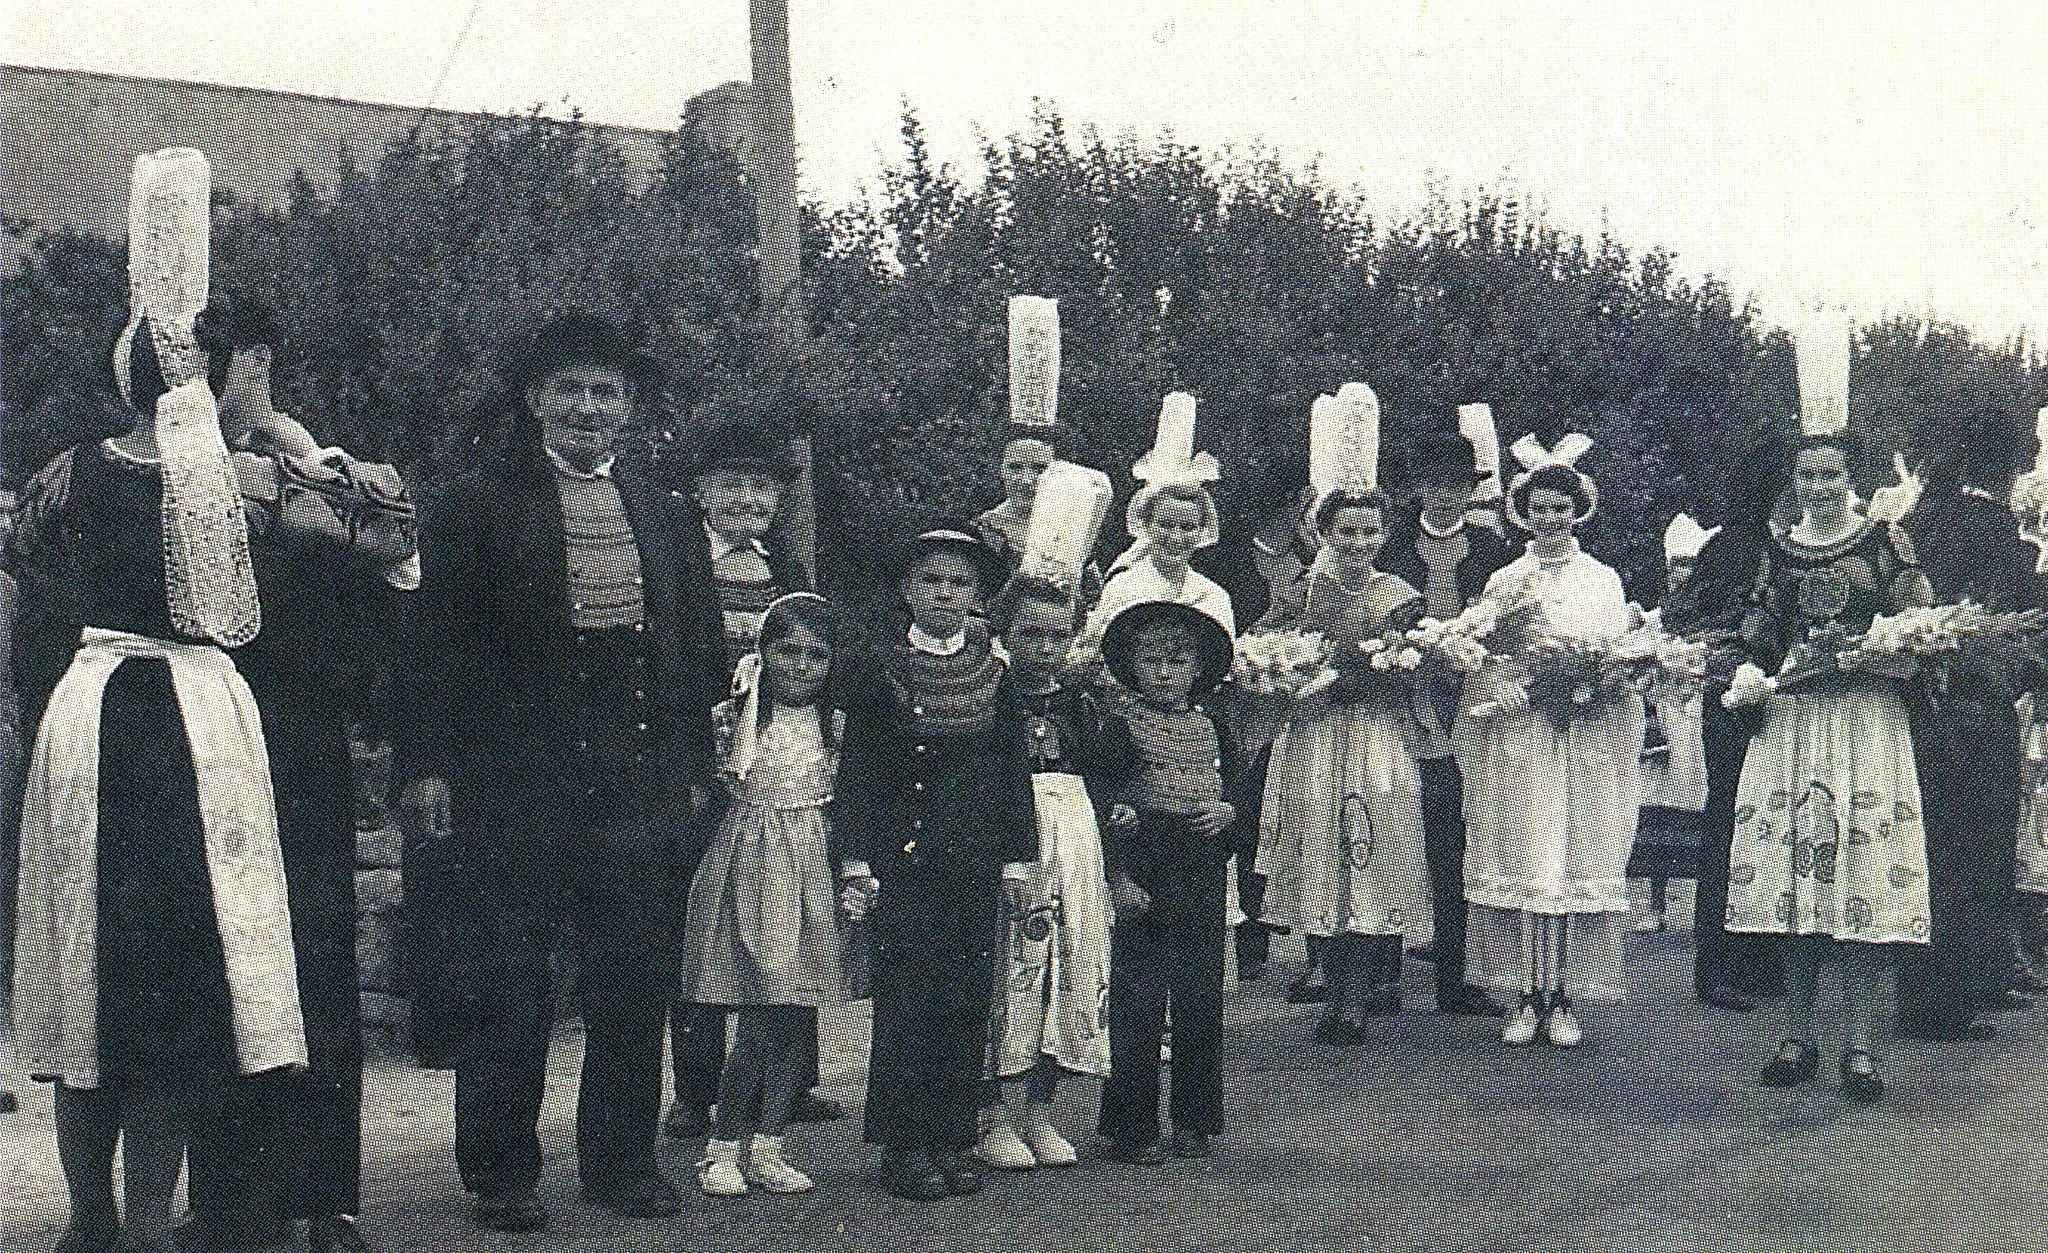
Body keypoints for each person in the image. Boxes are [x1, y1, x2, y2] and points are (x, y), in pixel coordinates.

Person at [9, 282, 407, 1251]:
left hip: (96, 712)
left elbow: (26, 566)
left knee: (95, 968)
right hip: (187, 721)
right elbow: (389, 529)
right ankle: (136, 1219)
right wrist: (296, 440)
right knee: (172, 984)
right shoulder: (243, 480)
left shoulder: (69, 469)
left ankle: (99, 1217)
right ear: (218, 374)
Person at [396, 311, 715, 1230]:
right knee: (510, 982)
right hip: (515, 783)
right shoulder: (473, 504)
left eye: (605, 391)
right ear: (535, 400)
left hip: (637, 783)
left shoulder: (665, 508)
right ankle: (501, 1172)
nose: (587, 407)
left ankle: (621, 1162)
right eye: (569, 388)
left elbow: (690, 649)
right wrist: (429, 767)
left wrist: (691, 769)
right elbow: (431, 647)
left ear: (629, 408)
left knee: (630, 981)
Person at [176, 298, 418, 1253]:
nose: (182, 383)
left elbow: (396, 565)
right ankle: (230, 1199)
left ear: (254, 359)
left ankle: (327, 1201)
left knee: (313, 959)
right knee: (217, 966)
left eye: (202, 361)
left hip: (299, 743)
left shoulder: (328, 470)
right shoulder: (169, 471)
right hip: (198, 737)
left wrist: (297, 457)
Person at [1724, 431, 1934, 1102]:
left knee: (1861, 879)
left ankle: (1863, 1046)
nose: (1818, 485)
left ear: (1851, 477)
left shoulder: (1884, 543)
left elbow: (1923, 628)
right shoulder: (1777, 549)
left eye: (1831, 473)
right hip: (1796, 725)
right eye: (1807, 474)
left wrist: (1871, 652)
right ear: (1793, 479)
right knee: (1800, 882)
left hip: (1864, 723)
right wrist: (1753, 669)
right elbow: (1755, 629)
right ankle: (1797, 1034)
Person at [833, 525, 1036, 1201]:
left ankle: (952, 1137)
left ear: (977, 594)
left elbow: (1013, 771)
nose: (944, 594)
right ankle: (904, 1144)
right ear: (905, 588)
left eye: (959, 582)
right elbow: (858, 768)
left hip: (973, 862)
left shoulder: (995, 670)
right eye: (931, 580)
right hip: (907, 863)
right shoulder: (881, 668)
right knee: (908, 1001)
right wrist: (858, 857)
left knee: (964, 998)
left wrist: (1016, 858)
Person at [664, 419, 843, 1142]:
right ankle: (696, 1091)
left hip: (783, 769)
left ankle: (790, 1083)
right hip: (708, 774)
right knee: (708, 928)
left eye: (759, 487)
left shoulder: (787, 572)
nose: (745, 499)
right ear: (703, 493)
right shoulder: (682, 567)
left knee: (794, 915)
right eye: (731, 485)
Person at [1456, 445, 1642, 1049]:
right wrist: (1523, 683)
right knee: (1526, 853)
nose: (1551, 519)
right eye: (1540, 508)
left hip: (1581, 737)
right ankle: (1524, 994)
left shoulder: (1602, 579)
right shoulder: (1506, 581)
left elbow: (1614, 654)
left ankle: (1561, 994)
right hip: (1525, 735)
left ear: (1579, 512)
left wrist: (1587, 683)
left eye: (1562, 508)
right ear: (1523, 513)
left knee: (1571, 855)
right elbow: (1485, 654)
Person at [681, 593, 849, 1197]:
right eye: (788, 652)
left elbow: (842, 801)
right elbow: (711, 790)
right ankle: (722, 1145)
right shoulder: (738, 719)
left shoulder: (836, 725)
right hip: (752, 860)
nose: (802, 666)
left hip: (812, 864)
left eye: (816, 655)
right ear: (764, 653)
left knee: (796, 1014)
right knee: (756, 1013)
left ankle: (770, 1142)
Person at [1253, 487, 1433, 1043]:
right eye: (1346, 531)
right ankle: (1336, 989)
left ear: (1383, 536)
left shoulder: (1400, 594)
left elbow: (1410, 664)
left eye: (1369, 532)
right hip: (1314, 733)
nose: (1358, 542)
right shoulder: (1302, 591)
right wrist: (1285, 669)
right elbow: (1266, 648)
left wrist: (1390, 668)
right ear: (1324, 532)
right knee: (1322, 850)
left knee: (1371, 845)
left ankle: (1366, 984)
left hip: (1375, 732)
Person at [1897, 419, 2037, 1038]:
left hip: (1928, 710)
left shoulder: (1917, 523)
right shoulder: (1992, 527)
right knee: (1978, 851)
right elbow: (2016, 618)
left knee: (1934, 848)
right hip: (1982, 707)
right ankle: (1961, 986)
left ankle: (1927, 987)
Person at [1093, 599, 1244, 1164]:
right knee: (1138, 998)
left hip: (1200, 865)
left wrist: (1229, 814)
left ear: (1199, 668)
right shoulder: (1118, 727)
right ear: (1131, 667)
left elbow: (1238, 795)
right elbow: (1099, 796)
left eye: (1178, 659)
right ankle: (1130, 1125)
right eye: (1150, 659)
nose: (1163, 671)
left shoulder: (1214, 728)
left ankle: (1195, 1119)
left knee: (1199, 995)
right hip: (1144, 865)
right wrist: (1117, 871)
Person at [976, 575, 1116, 1171]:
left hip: (1075, 831)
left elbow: (1104, 772)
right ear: (1004, 635)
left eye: (1059, 636)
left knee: (1070, 962)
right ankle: (994, 1116)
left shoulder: (1081, 702)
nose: (1044, 648)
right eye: (1031, 634)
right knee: (1016, 966)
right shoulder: (989, 693)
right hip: (1014, 825)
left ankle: (1040, 1111)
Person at [1377, 424, 1517, 1017]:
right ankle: (1378, 978)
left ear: (1470, 489)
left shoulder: (1492, 551)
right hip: (1400, 704)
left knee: (1454, 837)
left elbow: (1506, 624)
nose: (1444, 496)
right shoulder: (1392, 547)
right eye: (1435, 483)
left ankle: (1458, 977)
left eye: (1457, 485)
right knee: (1386, 828)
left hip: (1467, 706)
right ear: (1419, 488)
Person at [1660, 434, 1791, 1012]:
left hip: (1729, 696)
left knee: (1729, 826)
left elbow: (1680, 614)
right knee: (1749, 827)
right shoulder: (1770, 549)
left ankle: (1722, 964)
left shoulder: (1722, 549)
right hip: (1757, 695)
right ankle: (1739, 964)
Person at [1630, 515, 1718, 937]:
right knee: (1657, 804)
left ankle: (1698, 899)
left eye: (1691, 564)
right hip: (1665, 710)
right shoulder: (1659, 612)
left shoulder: (1709, 608)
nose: (1684, 573)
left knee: (1696, 801)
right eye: (1678, 565)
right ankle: (1654, 899)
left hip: (1696, 708)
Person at [1087, 482, 1237, 642]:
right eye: (1165, 525)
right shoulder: (1121, 587)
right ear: (1146, 525)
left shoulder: (1214, 596)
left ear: (1202, 531)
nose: (1175, 537)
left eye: (1188, 527)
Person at [975, 431, 1105, 610]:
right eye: (1015, 467)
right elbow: (977, 606)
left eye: (1040, 469)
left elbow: (1094, 600)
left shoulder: (1071, 528)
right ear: (1001, 470)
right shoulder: (984, 532)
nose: (1027, 480)